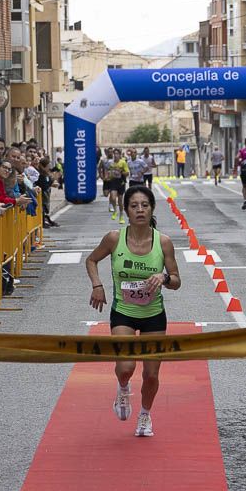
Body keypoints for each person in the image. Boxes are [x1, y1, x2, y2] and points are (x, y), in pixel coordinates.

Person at [85, 186, 181, 437]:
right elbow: (91, 260)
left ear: (152, 209)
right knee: (126, 367)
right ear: (126, 210)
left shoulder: (163, 242)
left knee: (151, 374)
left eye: (145, 205)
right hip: (123, 312)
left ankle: (145, 416)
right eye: (134, 205)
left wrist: (163, 277)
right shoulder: (114, 239)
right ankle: (123, 388)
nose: (140, 210)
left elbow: (177, 280)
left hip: (153, 315)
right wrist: (97, 286)